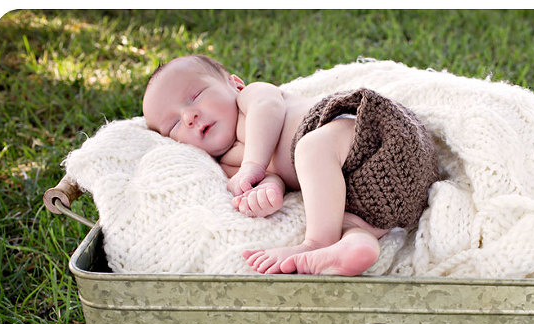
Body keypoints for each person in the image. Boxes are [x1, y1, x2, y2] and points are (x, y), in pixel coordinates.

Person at [142, 55, 439, 275]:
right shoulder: (228, 163)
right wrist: (266, 192)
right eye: (172, 125)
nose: (189, 116)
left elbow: (268, 112)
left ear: (234, 84)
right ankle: (358, 244)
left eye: (195, 96)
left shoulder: (252, 99)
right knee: (343, 217)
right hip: (375, 194)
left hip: (377, 139)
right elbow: (276, 177)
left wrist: (253, 166)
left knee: (311, 149)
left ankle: (316, 244)